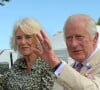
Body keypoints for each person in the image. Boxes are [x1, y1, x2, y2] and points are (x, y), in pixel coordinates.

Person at [33, 14, 100, 90]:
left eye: (79, 37)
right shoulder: (67, 68)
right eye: (69, 38)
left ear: (95, 38)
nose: (73, 44)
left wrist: (55, 63)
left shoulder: (61, 68)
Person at [3, 18, 56, 90]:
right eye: (19, 38)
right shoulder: (17, 64)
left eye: (28, 37)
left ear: (37, 39)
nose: (23, 42)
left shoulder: (48, 65)